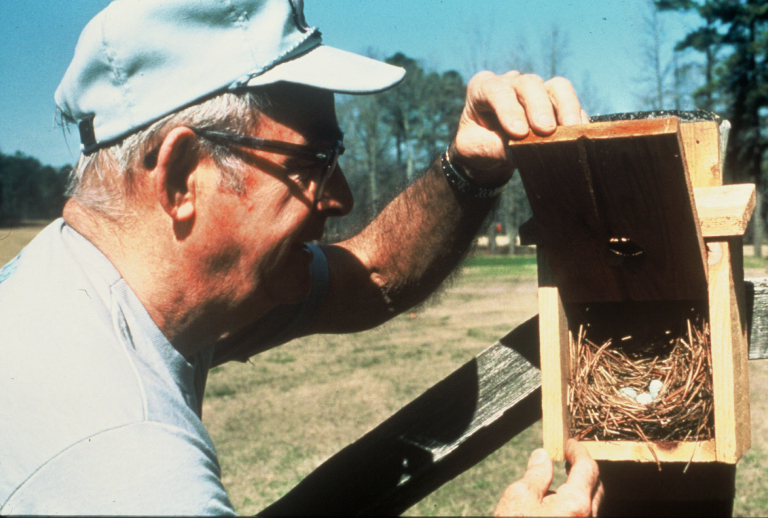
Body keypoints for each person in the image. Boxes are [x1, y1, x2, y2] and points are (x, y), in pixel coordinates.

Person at [0, 0, 602, 515]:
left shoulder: (85, 288)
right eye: (314, 160)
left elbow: (374, 272)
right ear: (182, 177)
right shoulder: (125, 464)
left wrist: (469, 169)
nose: (339, 195)